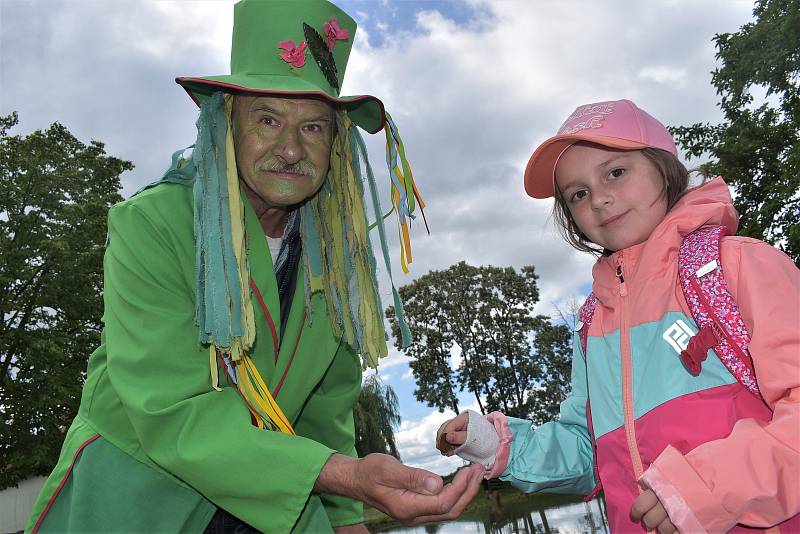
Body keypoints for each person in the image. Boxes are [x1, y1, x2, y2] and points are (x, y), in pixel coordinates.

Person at [26, 1, 484, 533]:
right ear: (225, 124)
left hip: (277, 498)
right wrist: (346, 476)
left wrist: (348, 516)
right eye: (267, 119)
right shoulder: (152, 224)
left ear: (335, 147)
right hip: (138, 500)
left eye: (313, 128)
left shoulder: (331, 262)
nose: (290, 149)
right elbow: (171, 410)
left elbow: (323, 412)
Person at [435, 99, 799, 533]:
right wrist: (498, 445)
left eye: (615, 172)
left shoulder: (738, 267)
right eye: (578, 194)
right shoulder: (593, 326)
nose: (600, 199)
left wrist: (707, 487)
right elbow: (593, 455)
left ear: (664, 169)